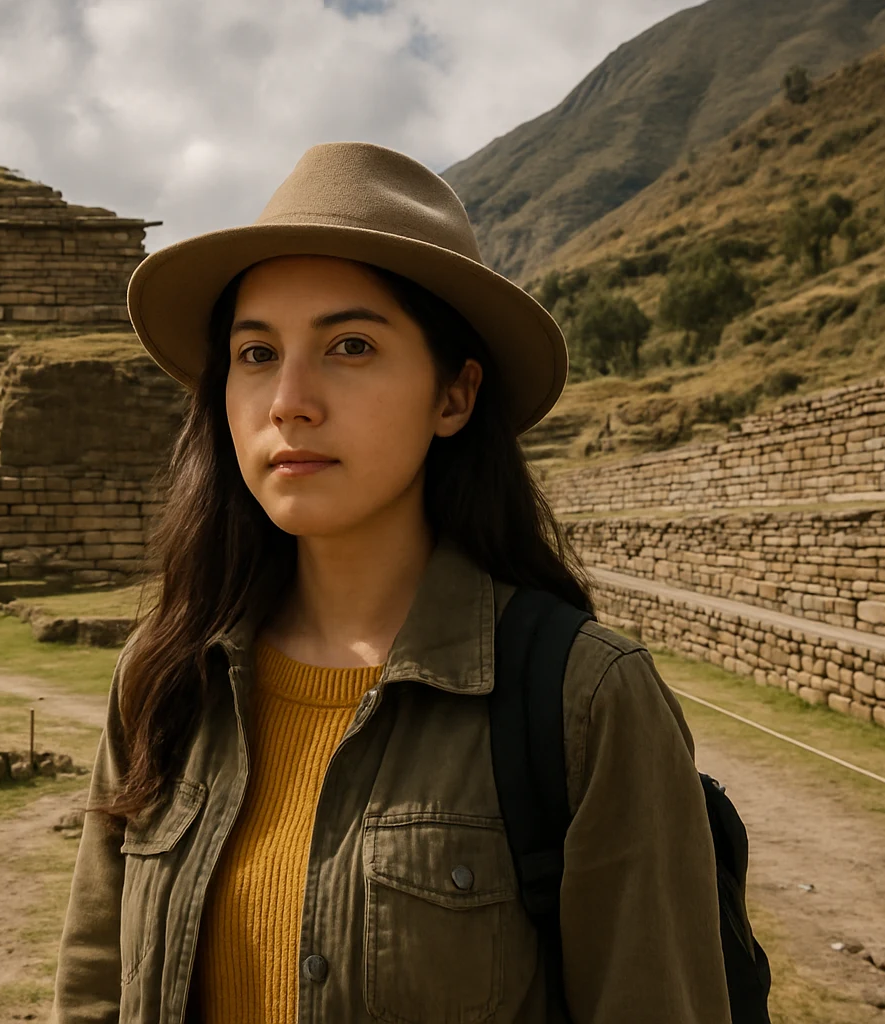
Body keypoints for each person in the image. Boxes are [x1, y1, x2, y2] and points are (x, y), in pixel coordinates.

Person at [51, 140, 730, 1024]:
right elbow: (94, 988)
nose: (289, 399)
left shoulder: (583, 701)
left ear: (454, 396)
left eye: (351, 345)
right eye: (256, 354)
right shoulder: (166, 674)